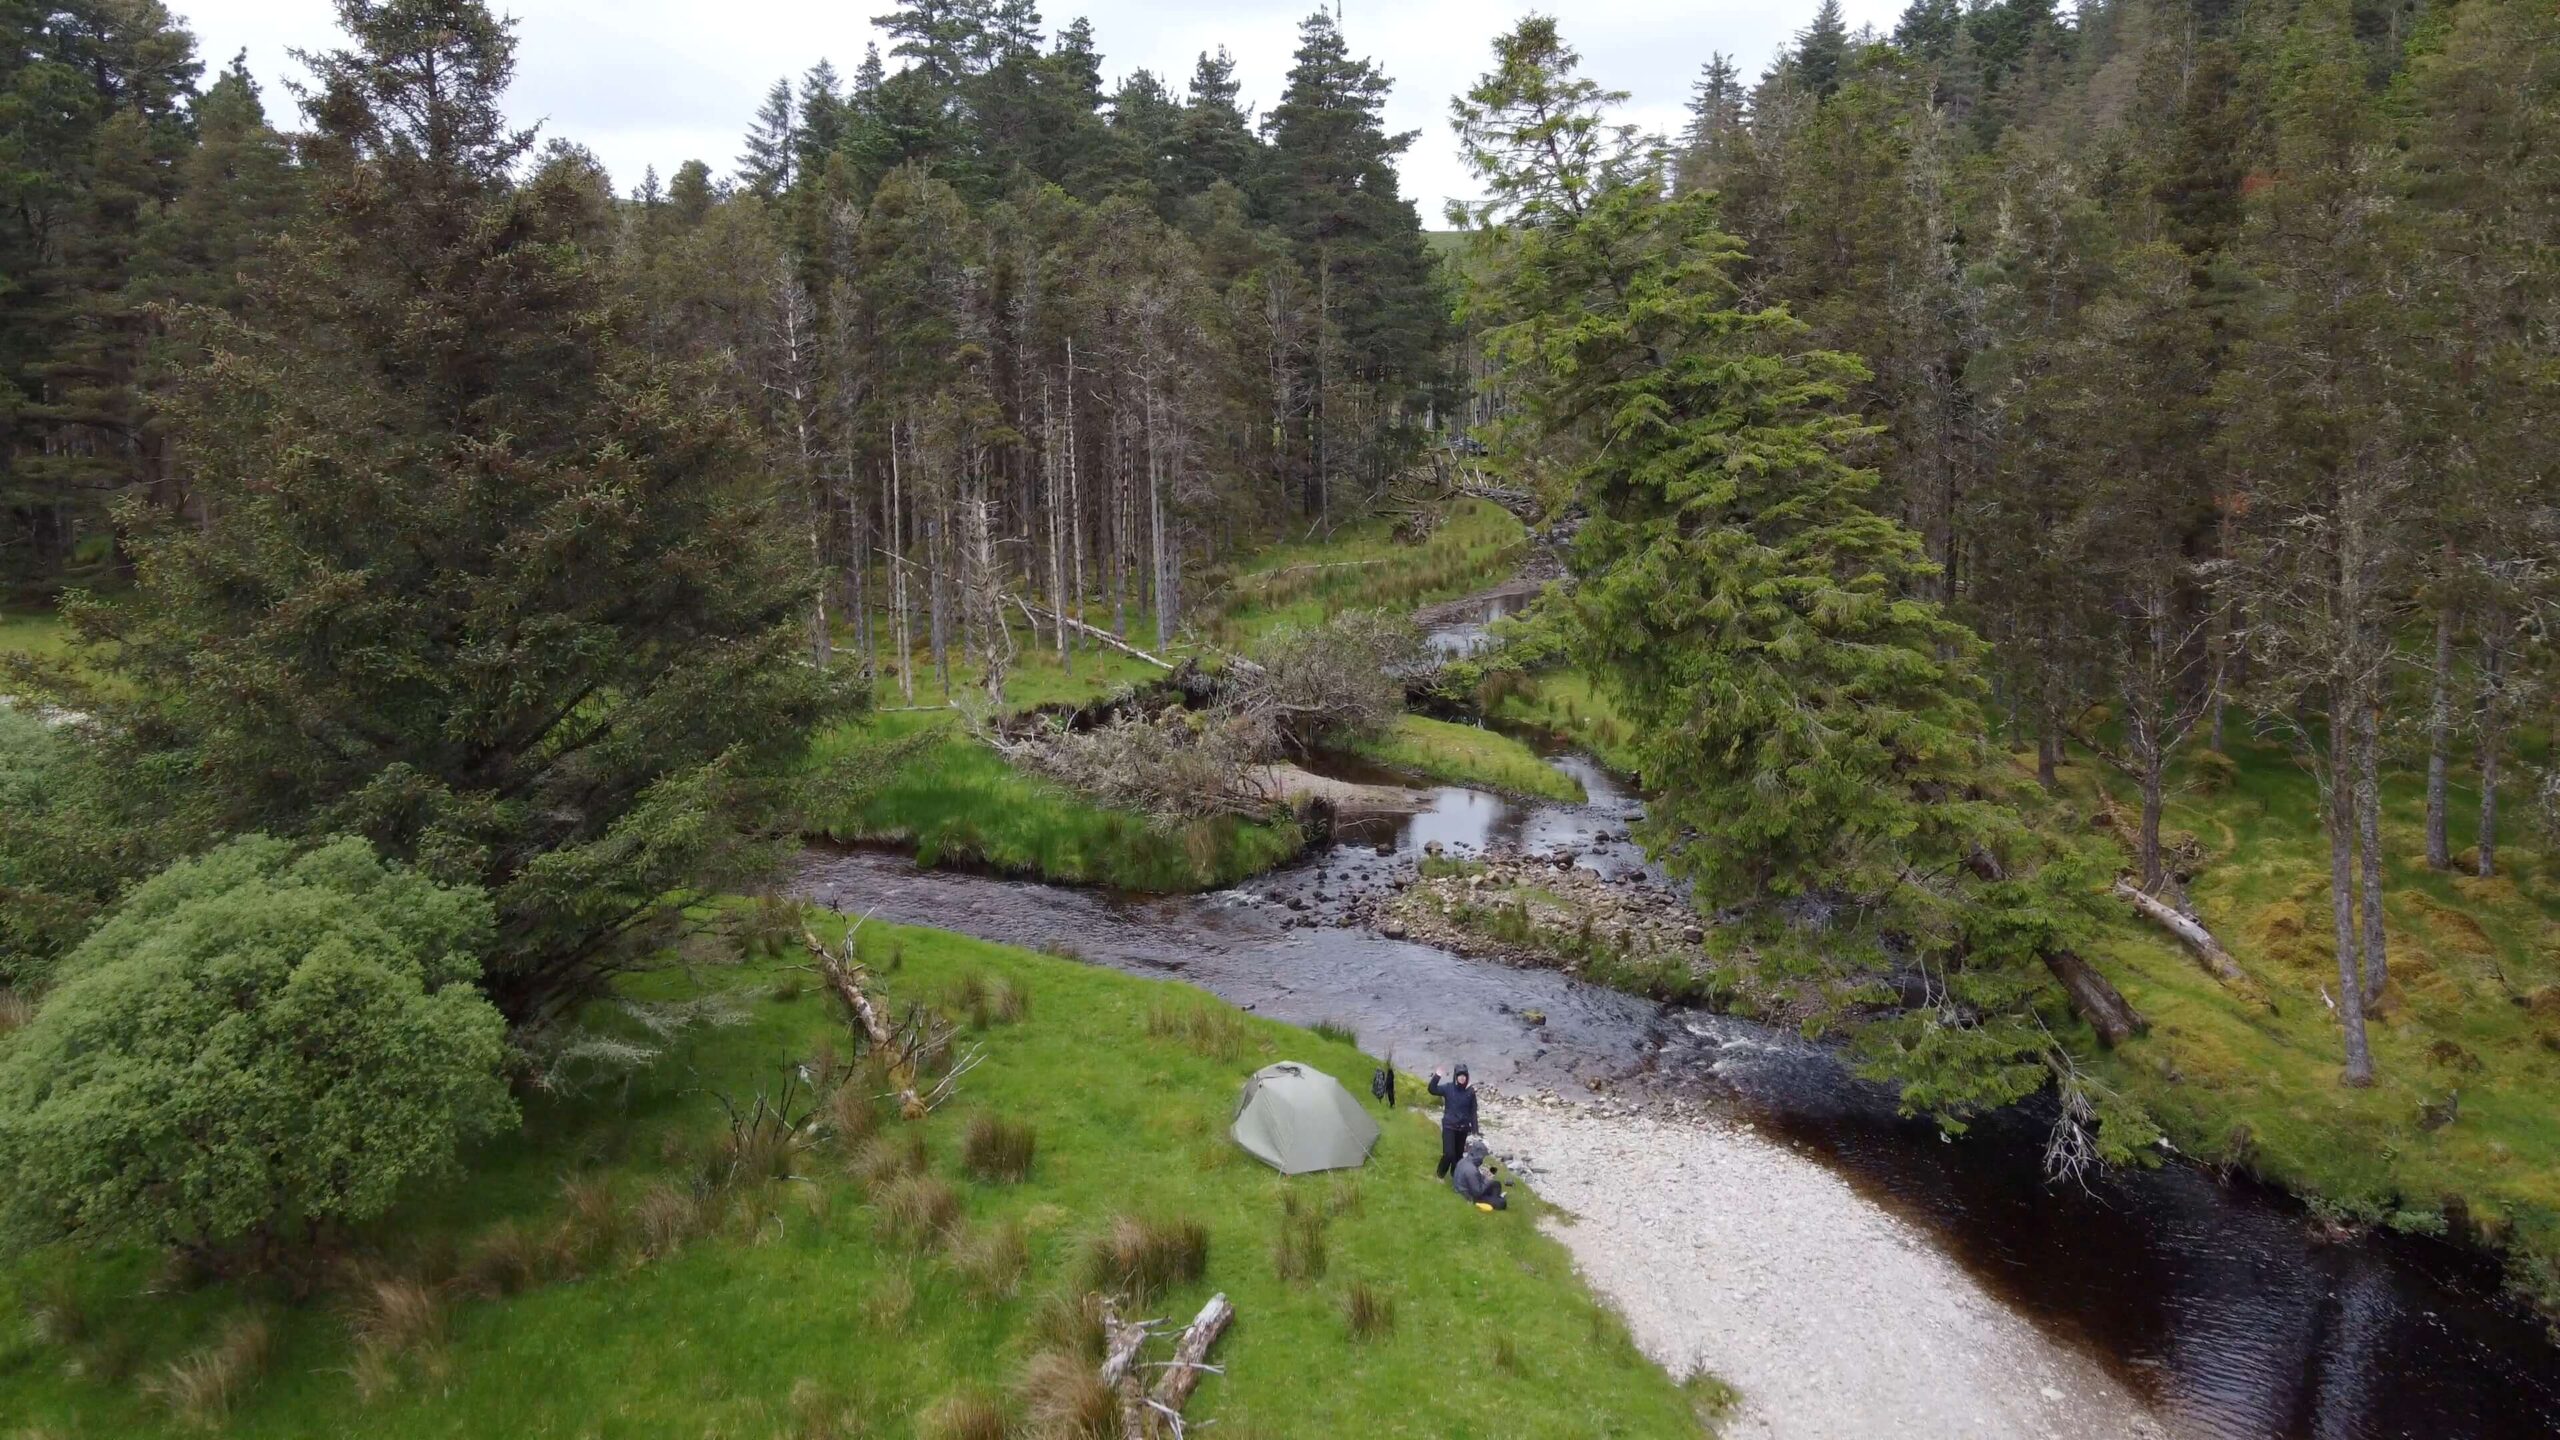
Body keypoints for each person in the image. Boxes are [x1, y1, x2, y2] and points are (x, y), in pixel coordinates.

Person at [1427, 1063, 1479, 1179]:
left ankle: (1455, 1177)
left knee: (1458, 1156)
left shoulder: (1470, 1092)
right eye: (1460, 1075)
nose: (1462, 1078)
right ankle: (1439, 1175)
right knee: (1449, 1154)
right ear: (1455, 1076)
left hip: (1463, 1128)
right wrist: (1437, 1076)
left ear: (1467, 1077)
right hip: (1449, 1127)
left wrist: (1475, 1130)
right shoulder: (1448, 1088)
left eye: (1464, 1076)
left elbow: (1473, 1111)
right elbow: (1432, 1089)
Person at [1451, 1136, 1507, 1211]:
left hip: (1464, 1187)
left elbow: (1474, 1180)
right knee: (1502, 1203)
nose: (1482, 1160)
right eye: (1482, 1157)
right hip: (1468, 1195)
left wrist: (1483, 1175)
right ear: (1478, 1155)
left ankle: (1493, 1198)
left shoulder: (1463, 1161)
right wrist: (1487, 1178)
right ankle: (1495, 1199)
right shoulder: (1471, 1170)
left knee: (1496, 1184)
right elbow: (1477, 1192)